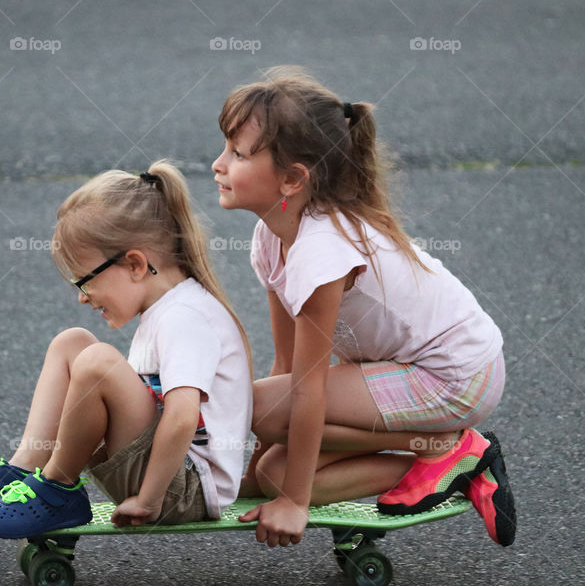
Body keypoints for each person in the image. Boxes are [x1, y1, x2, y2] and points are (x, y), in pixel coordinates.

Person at [210, 67, 516, 548]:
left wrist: (293, 504)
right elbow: (287, 367)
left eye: (238, 153)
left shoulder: (321, 250)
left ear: (292, 179)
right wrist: (256, 479)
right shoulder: (271, 237)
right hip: (402, 369)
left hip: (456, 374)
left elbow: (306, 389)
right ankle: (450, 461)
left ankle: (445, 445)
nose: (218, 164)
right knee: (277, 472)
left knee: (265, 413)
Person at [0, 160, 253, 538]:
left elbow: (181, 418)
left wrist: (148, 500)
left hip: (182, 489)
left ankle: (56, 489)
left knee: (98, 362)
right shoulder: (167, 309)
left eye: (84, 281)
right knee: (73, 343)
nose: (83, 297)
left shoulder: (187, 317)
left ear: (134, 264)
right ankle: (22, 469)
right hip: (166, 474)